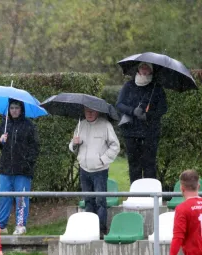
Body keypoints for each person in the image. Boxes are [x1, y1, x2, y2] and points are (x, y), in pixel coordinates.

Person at [69, 107, 120, 236]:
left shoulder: (105, 125)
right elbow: (72, 147)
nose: (90, 114)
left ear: (97, 111)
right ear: (84, 112)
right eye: (87, 111)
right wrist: (75, 144)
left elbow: (115, 146)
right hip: (84, 169)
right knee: (88, 200)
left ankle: (102, 230)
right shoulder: (80, 125)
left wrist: (102, 160)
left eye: (92, 111)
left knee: (100, 201)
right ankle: (89, 230)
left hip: (100, 171)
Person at [116, 62, 168, 184]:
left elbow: (163, 108)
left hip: (150, 132)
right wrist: (132, 111)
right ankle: (136, 194)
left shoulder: (157, 88)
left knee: (149, 164)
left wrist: (148, 115)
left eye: (147, 68)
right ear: (138, 70)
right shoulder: (128, 85)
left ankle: (150, 196)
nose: (144, 70)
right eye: (142, 67)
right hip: (131, 132)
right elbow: (119, 104)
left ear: (151, 71)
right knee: (134, 165)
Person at [0, 99, 39, 235]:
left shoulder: (29, 126)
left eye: (17, 108)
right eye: (12, 108)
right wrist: (0, 140)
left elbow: (35, 148)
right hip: (5, 169)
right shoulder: (4, 125)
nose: (14, 110)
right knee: (4, 198)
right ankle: (1, 226)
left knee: (21, 199)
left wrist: (27, 162)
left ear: (21, 109)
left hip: (23, 171)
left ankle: (20, 225)